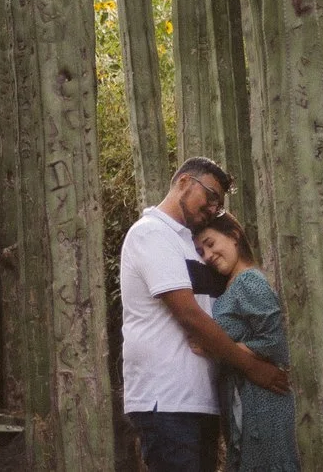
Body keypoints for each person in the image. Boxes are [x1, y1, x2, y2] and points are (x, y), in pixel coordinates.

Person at [118, 157, 290, 472]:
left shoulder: (192, 244)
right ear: (184, 182)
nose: (212, 208)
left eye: (218, 204)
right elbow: (190, 316)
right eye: (210, 196)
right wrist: (252, 367)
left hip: (201, 400)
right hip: (165, 400)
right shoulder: (151, 233)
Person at [196, 210, 299, 472]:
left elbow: (275, 343)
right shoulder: (231, 285)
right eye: (201, 252)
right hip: (244, 398)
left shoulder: (249, 281)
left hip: (264, 400)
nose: (207, 256)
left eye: (210, 244)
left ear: (234, 236)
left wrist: (216, 347)